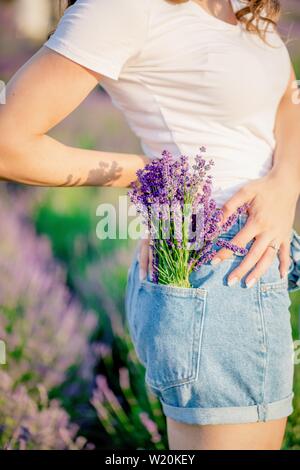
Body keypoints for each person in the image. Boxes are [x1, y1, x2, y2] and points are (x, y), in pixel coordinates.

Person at [0, 0, 299, 450]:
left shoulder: (242, 5)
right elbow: (9, 143)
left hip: (244, 271)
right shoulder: (124, 7)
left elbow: (288, 97)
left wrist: (284, 183)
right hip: (215, 275)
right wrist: (154, 177)